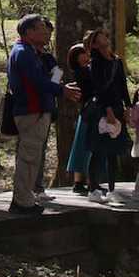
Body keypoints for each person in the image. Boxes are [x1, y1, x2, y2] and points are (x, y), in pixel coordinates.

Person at [6, 14, 81, 215]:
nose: (47, 32)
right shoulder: (22, 52)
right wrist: (63, 91)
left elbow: (50, 75)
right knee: (28, 156)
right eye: (41, 28)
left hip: (39, 111)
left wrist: (60, 84)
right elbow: (36, 81)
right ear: (29, 32)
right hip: (31, 111)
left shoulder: (36, 53)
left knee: (33, 157)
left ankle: (26, 198)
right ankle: (21, 201)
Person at [86, 28, 132, 203]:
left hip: (118, 108)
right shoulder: (96, 62)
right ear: (95, 45)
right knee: (98, 149)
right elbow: (99, 87)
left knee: (114, 151)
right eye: (100, 38)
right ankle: (93, 189)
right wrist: (109, 110)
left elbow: (122, 85)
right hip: (102, 109)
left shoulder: (116, 61)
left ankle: (112, 189)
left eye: (105, 35)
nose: (106, 38)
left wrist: (127, 107)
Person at [33, 18, 60, 200]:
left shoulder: (48, 56)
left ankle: (38, 186)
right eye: (44, 32)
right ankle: (29, 188)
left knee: (41, 148)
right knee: (31, 149)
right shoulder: (28, 54)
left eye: (49, 32)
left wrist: (54, 81)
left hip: (48, 105)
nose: (47, 35)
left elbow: (57, 75)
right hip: (32, 108)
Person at [64, 42, 94, 195]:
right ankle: (78, 181)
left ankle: (88, 180)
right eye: (83, 52)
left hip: (90, 111)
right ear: (77, 58)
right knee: (82, 146)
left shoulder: (88, 70)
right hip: (88, 112)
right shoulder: (82, 71)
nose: (87, 54)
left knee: (88, 147)